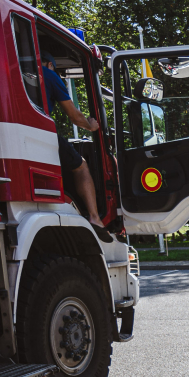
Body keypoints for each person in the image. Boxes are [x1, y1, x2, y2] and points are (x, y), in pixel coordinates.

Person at [41, 53, 112, 241]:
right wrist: (91, 125)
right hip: (41, 131)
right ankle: (95, 218)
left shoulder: (12, 71)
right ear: (50, 64)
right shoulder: (48, 75)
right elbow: (74, 115)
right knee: (80, 165)